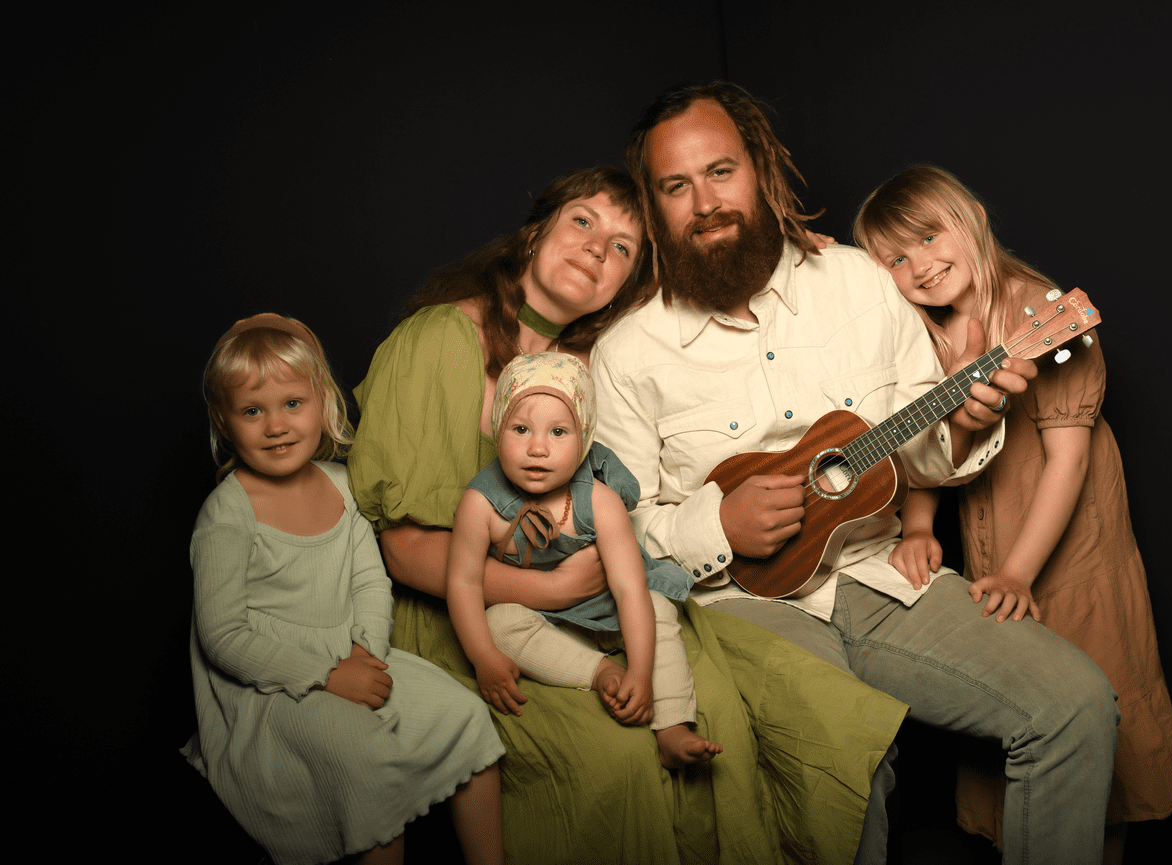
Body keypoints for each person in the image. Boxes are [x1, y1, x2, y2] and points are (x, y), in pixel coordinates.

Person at [591, 81, 1120, 864]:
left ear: (762, 171)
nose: (704, 202)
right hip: (741, 603)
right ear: (656, 204)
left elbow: (923, 443)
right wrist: (717, 524)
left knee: (1076, 703)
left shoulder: (859, 282)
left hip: (879, 575)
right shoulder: (628, 353)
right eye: (676, 186)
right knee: (846, 758)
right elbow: (620, 532)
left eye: (721, 172)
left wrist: (966, 419)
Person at [348, 166, 904, 864]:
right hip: (466, 618)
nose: (596, 249)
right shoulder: (438, 341)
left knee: (750, 709)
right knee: (615, 757)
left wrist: (783, 251)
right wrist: (550, 588)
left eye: (623, 248)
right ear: (534, 231)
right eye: (584, 222)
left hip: (607, 600)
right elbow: (403, 550)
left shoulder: (593, 361)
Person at [854, 165, 1172, 860]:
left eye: (928, 236)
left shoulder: (1039, 312)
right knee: (1022, 723)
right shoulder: (929, 336)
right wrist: (917, 527)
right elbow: (930, 444)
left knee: (1102, 729)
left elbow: (1067, 463)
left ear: (971, 216)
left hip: (1071, 555)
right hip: (991, 551)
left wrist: (1018, 571)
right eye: (896, 259)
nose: (920, 264)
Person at [183, 313, 505, 865]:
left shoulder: (341, 485)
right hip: (271, 681)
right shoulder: (227, 513)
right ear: (224, 421)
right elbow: (223, 635)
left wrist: (365, 650)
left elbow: (368, 582)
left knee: (467, 716)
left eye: (292, 404)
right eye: (252, 411)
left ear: (322, 402)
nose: (276, 426)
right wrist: (328, 676)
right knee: (365, 761)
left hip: (351, 650)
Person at [447, 351, 722, 768]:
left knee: (658, 609)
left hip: (612, 606)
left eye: (558, 432)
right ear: (497, 428)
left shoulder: (599, 499)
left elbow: (629, 589)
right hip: (542, 614)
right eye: (520, 429)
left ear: (585, 437)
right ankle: (599, 673)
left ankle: (671, 728)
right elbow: (464, 584)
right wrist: (483, 657)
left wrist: (641, 674)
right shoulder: (479, 504)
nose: (537, 448)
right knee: (497, 622)